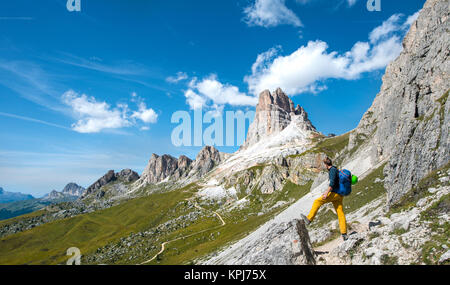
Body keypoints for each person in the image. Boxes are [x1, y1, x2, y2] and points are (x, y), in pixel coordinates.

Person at [301, 157, 348, 241]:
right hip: (340, 194)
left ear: (326, 164)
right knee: (340, 213)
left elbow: (332, 183)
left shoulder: (332, 171)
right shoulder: (335, 169)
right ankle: (344, 234)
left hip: (335, 193)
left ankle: (309, 219)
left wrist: (326, 193)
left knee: (317, 201)